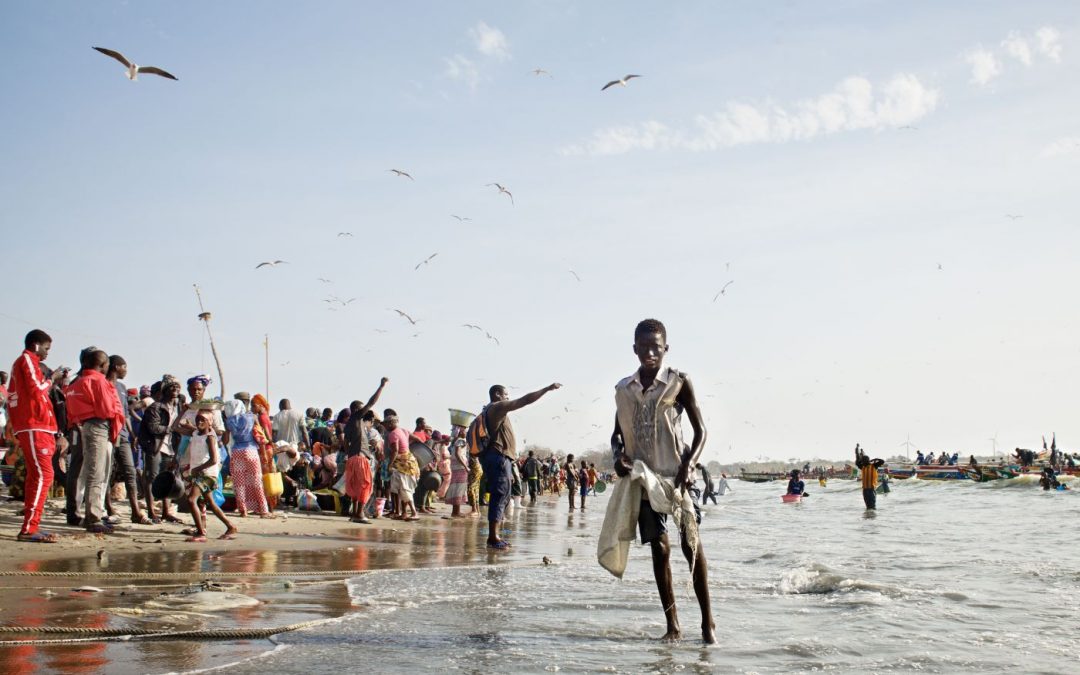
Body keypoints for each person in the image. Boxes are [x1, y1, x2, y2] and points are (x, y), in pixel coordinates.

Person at [608, 318, 714, 643]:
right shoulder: (626, 390)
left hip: (677, 479)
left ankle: (707, 624)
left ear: (665, 348)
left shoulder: (678, 382)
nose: (650, 352)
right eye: (644, 347)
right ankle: (673, 626)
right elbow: (616, 436)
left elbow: (701, 431)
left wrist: (690, 463)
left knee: (691, 546)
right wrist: (618, 458)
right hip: (644, 480)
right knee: (660, 549)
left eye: (656, 347)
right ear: (635, 349)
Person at [479, 382, 562, 549]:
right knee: (500, 495)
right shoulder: (496, 407)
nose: (508, 398)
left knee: (502, 495)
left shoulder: (490, 410)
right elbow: (524, 400)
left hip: (497, 458)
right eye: (505, 395)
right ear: (497, 394)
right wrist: (545, 389)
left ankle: (495, 536)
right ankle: (493, 538)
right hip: (499, 458)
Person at [8, 329, 67, 542]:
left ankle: (31, 526)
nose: (47, 353)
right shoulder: (26, 359)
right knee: (44, 475)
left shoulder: (26, 362)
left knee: (38, 476)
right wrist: (52, 378)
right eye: (46, 348)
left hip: (39, 426)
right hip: (34, 426)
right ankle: (28, 529)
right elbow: (36, 388)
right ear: (36, 346)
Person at [64, 349, 124, 534]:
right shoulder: (98, 381)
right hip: (98, 427)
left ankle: (84, 513)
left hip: (84, 426)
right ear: (103, 365)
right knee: (96, 474)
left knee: (88, 471)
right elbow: (106, 409)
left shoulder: (76, 383)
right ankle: (94, 518)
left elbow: (71, 411)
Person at [106, 355, 150, 524]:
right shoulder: (104, 384)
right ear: (116, 367)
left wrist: (132, 435)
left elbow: (125, 415)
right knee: (107, 473)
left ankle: (135, 512)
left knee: (130, 471)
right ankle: (108, 507)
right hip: (109, 435)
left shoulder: (122, 387)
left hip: (123, 435)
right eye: (124, 366)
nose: (126, 370)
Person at [182, 411, 236, 542]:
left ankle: (201, 533)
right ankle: (231, 526)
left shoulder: (210, 437)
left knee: (191, 500)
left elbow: (213, 460)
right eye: (197, 419)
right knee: (210, 503)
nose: (199, 422)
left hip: (207, 474)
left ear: (210, 422)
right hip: (200, 473)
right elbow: (179, 427)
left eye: (203, 420)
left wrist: (197, 469)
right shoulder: (196, 433)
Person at [222, 398, 271, 518]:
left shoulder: (229, 421)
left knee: (239, 483)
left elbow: (226, 440)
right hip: (251, 451)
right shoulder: (252, 417)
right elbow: (260, 435)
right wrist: (263, 453)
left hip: (236, 452)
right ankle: (264, 510)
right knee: (257, 481)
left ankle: (243, 510)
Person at [385, 412, 419, 521]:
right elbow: (418, 439)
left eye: (385, 424)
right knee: (402, 488)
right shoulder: (403, 431)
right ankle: (404, 513)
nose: (385, 427)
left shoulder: (392, 434)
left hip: (402, 464)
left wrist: (389, 465)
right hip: (411, 462)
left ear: (390, 424)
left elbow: (394, 451)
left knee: (404, 489)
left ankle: (414, 513)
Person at [444, 437, 470, 517]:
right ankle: (456, 512)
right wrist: (465, 466)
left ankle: (456, 511)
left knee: (457, 488)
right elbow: (457, 454)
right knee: (459, 488)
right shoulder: (461, 440)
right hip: (460, 468)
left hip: (456, 467)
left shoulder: (456, 440)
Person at [855, 444, 880, 510]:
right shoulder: (863, 467)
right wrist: (857, 450)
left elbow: (882, 461)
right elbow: (857, 461)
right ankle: (868, 517)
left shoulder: (874, 466)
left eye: (863, 461)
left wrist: (876, 459)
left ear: (867, 461)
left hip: (871, 489)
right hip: (865, 490)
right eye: (862, 461)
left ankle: (872, 517)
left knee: (872, 506)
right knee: (868, 506)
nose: (862, 462)